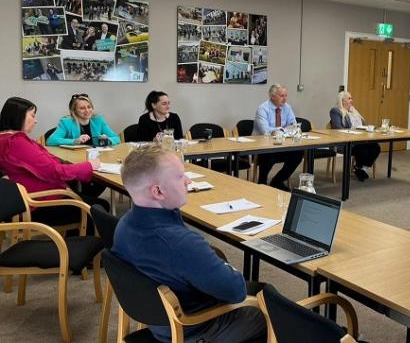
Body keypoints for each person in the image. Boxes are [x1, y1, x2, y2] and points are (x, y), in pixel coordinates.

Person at [112, 144, 266, 342]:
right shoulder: (180, 244)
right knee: (279, 313)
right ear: (158, 191)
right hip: (195, 329)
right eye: (180, 176)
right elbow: (236, 291)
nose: (188, 181)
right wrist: (223, 266)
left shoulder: (124, 224)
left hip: (161, 321)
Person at [0, 96, 107, 235]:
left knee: (85, 196)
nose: (36, 120)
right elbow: (54, 171)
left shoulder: (5, 139)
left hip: (26, 199)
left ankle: (73, 239)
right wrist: (89, 165)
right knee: (99, 207)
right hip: (36, 204)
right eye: (32, 115)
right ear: (19, 116)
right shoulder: (16, 142)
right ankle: (81, 247)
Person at [253, 84, 303, 191]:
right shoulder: (263, 108)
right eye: (282, 96)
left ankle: (278, 181)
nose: (285, 99)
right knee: (269, 153)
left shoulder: (287, 107)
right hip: (261, 146)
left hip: (281, 144)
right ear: (272, 96)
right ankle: (262, 182)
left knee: (298, 153)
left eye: (286, 95)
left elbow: (294, 126)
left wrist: (279, 130)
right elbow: (265, 131)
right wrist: (284, 129)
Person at [330, 91, 380, 181]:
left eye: (351, 98)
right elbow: (338, 128)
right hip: (345, 142)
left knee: (376, 146)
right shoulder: (336, 111)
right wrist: (353, 132)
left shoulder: (354, 111)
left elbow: (364, 125)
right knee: (363, 147)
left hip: (360, 139)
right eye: (349, 98)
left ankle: (362, 168)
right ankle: (358, 167)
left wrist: (369, 129)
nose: (351, 100)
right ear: (342, 100)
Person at [47, 94, 120, 147]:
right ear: (74, 111)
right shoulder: (66, 122)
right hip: (74, 158)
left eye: (89, 107)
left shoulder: (98, 120)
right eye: (82, 108)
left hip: (96, 156)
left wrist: (107, 140)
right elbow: (51, 141)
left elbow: (117, 138)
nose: (87, 111)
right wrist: (75, 141)